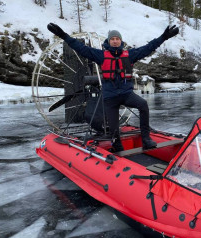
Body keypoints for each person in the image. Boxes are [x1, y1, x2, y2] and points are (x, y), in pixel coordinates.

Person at [47, 23, 179, 152]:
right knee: (115, 133)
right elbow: (81, 48)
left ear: (120, 41)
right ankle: (117, 147)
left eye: (117, 39)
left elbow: (149, 47)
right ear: (108, 41)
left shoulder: (130, 55)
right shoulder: (101, 55)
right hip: (110, 99)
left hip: (127, 94)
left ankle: (146, 139)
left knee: (143, 104)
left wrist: (164, 37)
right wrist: (63, 35)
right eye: (112, 39)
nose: (115, 41)